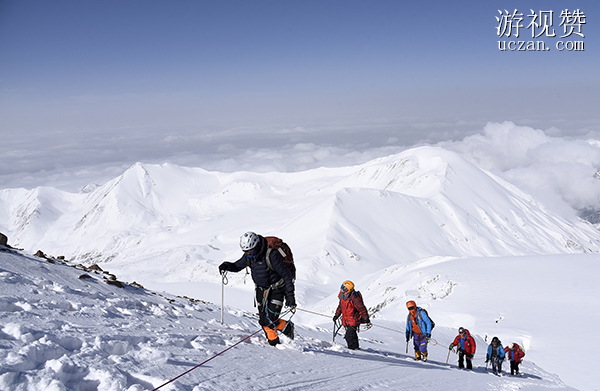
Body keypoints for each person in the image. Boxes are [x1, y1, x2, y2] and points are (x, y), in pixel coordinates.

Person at [218, 232, 296, 346]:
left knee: (270, 320)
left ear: (257, 245)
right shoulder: (249, 255)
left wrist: (290, 296)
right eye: (246, 252)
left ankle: (282, 334)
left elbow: (286, 275)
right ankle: (274, 343)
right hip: (261, 290)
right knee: (263, 320)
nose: (248, 254)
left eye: (250, 251)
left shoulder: (271, 255)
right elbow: (237, 266)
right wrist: (226, 266)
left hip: (277, 289)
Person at [333, 280, 371, 350]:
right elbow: (340, 307)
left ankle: (352, 350)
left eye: (343, 288)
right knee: (352, 335)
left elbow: (362, 308)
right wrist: (336, 315)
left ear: (348, 289)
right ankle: (356, 348)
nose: (341, 289)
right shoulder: (343, 296)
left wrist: (366, 318)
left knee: (349, 336)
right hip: (347, 320)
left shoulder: (354, 297)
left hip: (354, 320)